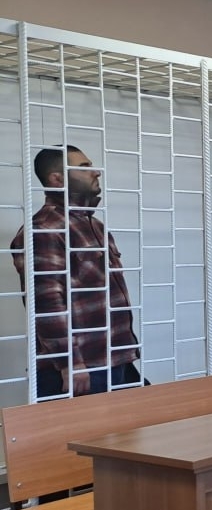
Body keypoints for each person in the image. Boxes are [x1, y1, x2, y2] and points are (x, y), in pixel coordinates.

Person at [11, 146, 142, 400]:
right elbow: (46, 303)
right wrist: (69, 362)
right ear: (57, 179)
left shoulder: (95, 226)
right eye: (84, 167)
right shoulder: (44, 229)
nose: (96, 172)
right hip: (80, 370)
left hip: (115, 359)